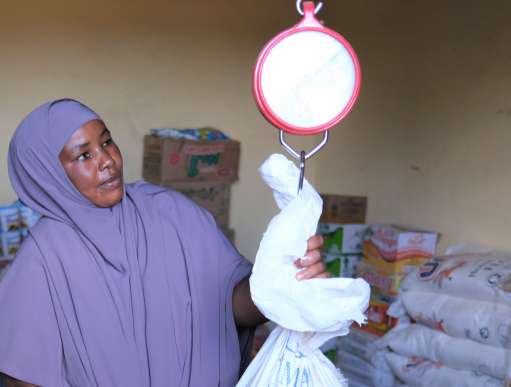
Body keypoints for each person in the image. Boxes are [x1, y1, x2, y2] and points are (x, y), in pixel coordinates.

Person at [0, 99, 328, 387]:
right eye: (84, 155)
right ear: (48, 174)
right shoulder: (42, 259)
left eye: (107, 142)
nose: (107, 161)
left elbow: (232, 306)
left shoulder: (170, 213)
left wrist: (281, 279)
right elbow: (23, 376)